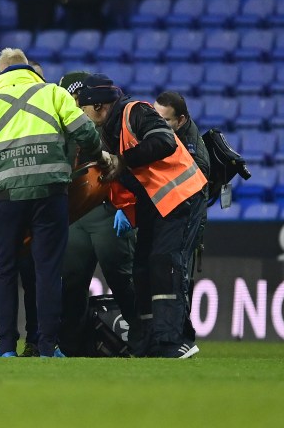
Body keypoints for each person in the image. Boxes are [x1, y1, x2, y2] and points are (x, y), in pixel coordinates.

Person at [0, 48, 103, 358]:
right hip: (50, 193)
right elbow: (85, 132)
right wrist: (99, 157)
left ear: (0, 73)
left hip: (6, 199)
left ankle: (5, 349)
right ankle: (47, 347)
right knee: (48, 270)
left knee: (4, 271)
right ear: (28, 69)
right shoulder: (53, 93)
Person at [78, 74, 207, 358]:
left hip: (183, 194)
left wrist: (123, 161)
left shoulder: (135, 111)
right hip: (156, 203)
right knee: (142, 269)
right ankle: (147, 342)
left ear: (98, 106)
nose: (81, 115)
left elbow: (165, 142)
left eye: (83, 108)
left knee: (164, 262)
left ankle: (172, 341)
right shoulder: (108, 132)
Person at [57, 71, 135, 357]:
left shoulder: (107, 123)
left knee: (121, 279)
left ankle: (141, 339)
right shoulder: (60, 126)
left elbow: (128, 164)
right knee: (72, 282)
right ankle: (70, 348)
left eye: (79, 100)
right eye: (72, 99)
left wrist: (125, 206)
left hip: (106, 209)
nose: (76, 106)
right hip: (76, 215)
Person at [154, 90, 210, 345]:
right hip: (172, 216)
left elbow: (190, 195)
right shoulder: (169, 138)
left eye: (164, 120)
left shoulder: (192, 152)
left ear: (181, 121)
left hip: (187, 216)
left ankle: (181, 336)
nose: (157, 123)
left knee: (180, 274)